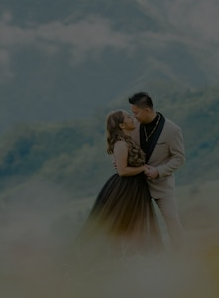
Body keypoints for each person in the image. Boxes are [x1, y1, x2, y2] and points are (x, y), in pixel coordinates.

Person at [77, 109, 162, 259]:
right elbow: (122, 171)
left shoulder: (128, 140)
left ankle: (135, 256)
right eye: (128, 117)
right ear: (122, 125)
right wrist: (143, 168)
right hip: (126, 188)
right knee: (118, 224)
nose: (132, 118)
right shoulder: (121, 144)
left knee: (134, 224)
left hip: (136, 187)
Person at [128, 91, 186, 250]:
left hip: (162, 185)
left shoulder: (172, 130)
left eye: (136, 113)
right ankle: (144, 256)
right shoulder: (133, 126)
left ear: (147, 110)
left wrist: (159, 171)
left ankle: (183, 254)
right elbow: (125, 144)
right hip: (137, 185)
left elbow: (179, 158)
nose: (133, 116)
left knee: (172, 220)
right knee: (137, 224)